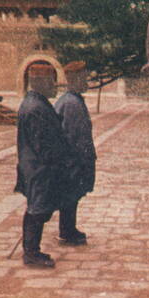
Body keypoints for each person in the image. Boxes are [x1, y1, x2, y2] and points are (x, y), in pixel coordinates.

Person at [15, 63, 70, 268]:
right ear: (40, 83)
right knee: (37, 210)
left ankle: (32, 250)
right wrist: (59, 160)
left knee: (38, 209)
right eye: (51, 82)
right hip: (40, 169)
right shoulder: (36, 107)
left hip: (37, 167)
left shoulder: (35, 103)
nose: (55, 86)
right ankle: (31, 254)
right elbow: (44, 144)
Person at [54, 61, 96, 245]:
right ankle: (67, 231)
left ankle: (69, 228)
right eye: (84, 78)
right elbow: (74, 136)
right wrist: (83, 160)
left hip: (72, 159)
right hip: (73, 160)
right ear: (75, 79)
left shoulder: (71, 99)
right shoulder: (71, 103)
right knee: (71, 194)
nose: (86, 81)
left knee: (72, 195)